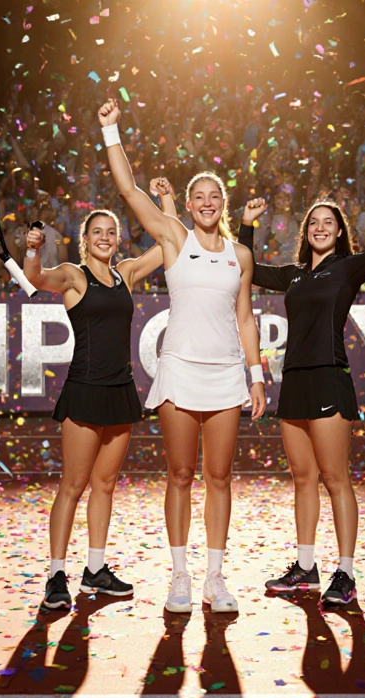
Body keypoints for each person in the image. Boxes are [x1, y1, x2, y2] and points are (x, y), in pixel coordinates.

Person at [99, 99, 266, 614]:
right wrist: (111, 129)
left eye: (215, 195)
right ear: (189, 206)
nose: (208, 202)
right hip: (178, 371)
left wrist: (256, 376)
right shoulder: (174, 237)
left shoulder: (241, 255)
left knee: (219, 478)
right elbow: (129, 190)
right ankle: (180, 578)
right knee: (179, 475)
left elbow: (245, 319)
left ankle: (215, 579)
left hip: (225, 377)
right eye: (199, 196)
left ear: (224, 202)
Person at [237, 183, 365, 605]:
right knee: (303, 479)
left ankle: (345, 574)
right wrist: (246, 226)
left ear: (340, 232)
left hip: (328, 379)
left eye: (329, 223)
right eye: (314, 223)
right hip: (296, 382)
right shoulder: (293, 274)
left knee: (336, 479)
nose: (321, 228)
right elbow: (243, 267)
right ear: (306, 233)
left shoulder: (350, 267)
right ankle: (306, 568)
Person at [23, 205, 164, 610]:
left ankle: (96, 570)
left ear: (117, 239)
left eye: (110, 232)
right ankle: (55, 576)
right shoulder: (73, 275)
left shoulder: (127, 273)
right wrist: (34, 250)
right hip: (84, 391)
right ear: (85, 239)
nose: (104, 237)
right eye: (96, 232)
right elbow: (36, 278)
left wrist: (168, 205)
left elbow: (169, 243)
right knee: (73, 486)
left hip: (120, 391)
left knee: (105, 486)